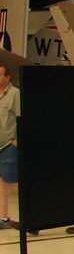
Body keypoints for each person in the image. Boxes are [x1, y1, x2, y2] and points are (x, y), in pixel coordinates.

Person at [0, 64, 19, 230]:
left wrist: (15, 143)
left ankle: (34, 209)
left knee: (11, 182)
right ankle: (3, 218)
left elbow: (23, 117)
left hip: (8, 146)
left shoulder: (14, 94)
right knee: (1, 183)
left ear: (7, 78)